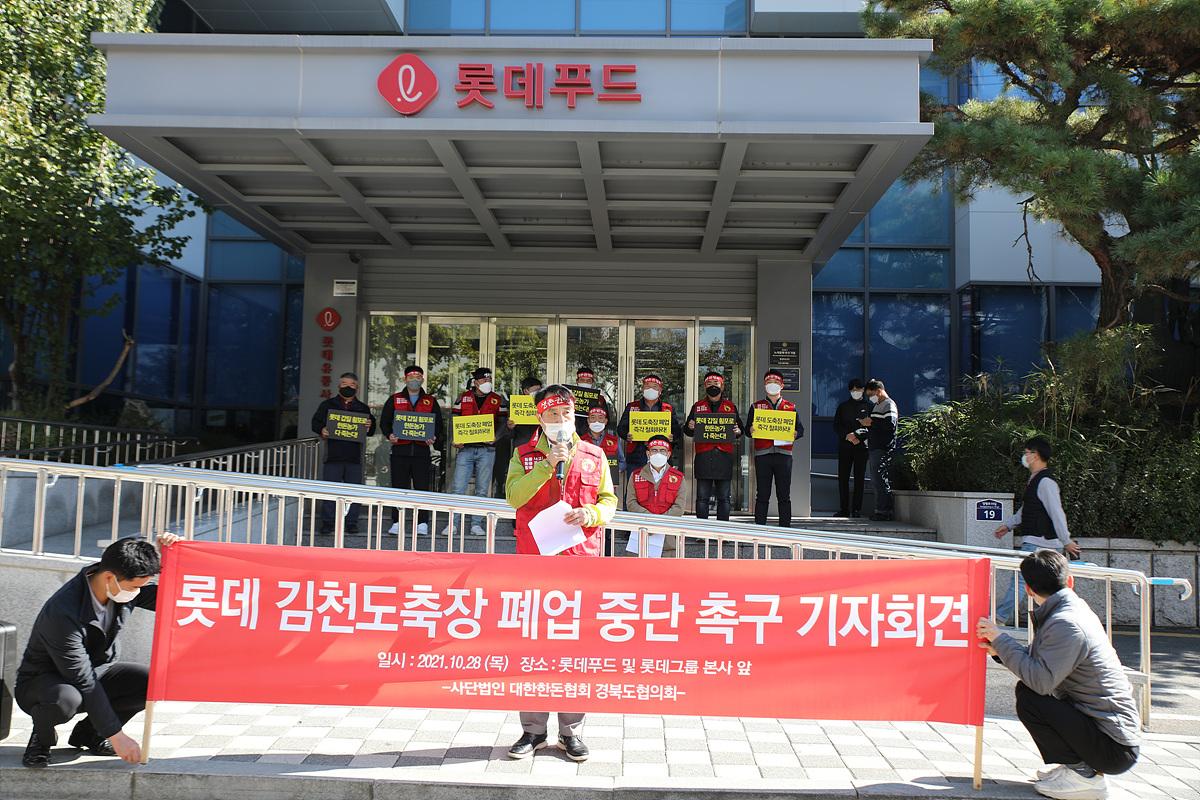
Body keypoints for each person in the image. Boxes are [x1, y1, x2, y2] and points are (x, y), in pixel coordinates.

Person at [504, 385, 618, 762]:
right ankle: (532, 730)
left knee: (575, 649)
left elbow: (609, 501)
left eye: (566, 414)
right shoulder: (524, 455)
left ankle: (571, 731)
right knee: (533, 648)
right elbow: (514, 497)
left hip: (579, 564)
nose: (561, 420)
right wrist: (546, 466)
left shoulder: (594, 455)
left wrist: (591, 514)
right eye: (552, 415)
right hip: (534, 564)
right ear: (540, 419)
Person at [977, 550, 1139, 800]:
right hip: (1111, 735)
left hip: (1114, 746)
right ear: (1070, 580)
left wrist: (1000, 639)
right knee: (1030, 692)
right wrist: (1000, 649)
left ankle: (1084, 777)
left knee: (1031, 698)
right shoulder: (1070, 610)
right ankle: (1076, 768)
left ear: (1028, 589)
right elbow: (1040, 664)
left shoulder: (1066, 622)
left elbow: (1040, 681)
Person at [17, 534, 181, 769]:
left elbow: (172, 598)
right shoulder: (63, 612)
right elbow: (82, 678)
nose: (138, 592)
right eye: (135, 587)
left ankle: (90, 734)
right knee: (64, 701)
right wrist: (117, 735)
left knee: (150, 682)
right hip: (44, 682)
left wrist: (173, 557)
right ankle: (41, 738)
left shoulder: (118, 587)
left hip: (98, 670)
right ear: (109, 577)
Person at [993, 436, 1081, 625]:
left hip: (1040, 542)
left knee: (1022, 580)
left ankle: (1000, 618)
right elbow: (1027, 510)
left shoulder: (1045, 482)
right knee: (1046, 584)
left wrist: (1066, 540)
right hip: (1040, 541)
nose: (1024, 456)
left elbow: (1056, 512)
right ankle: (1059, 619)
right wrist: (1008, 525)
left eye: (1027, 452)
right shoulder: (1036, 480)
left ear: (1036, 455)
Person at [380, 365, 443, 537]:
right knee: (399, 487)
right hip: (400, 451)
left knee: (422, 488)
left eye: (418, 377)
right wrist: (389, 435)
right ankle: (397, 521)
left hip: (422, 452)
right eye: (411, 377)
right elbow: (385, 421)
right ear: (405, 379)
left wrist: (434, 437)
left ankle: (422, 522)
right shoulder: (395, 399)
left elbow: (438, 424)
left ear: (422, 379)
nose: (415, 380)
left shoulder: (430, 401)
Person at [311, 372, 376, 534]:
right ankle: (328, 522)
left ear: (357, 388)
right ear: (339, 386)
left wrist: (369, 425)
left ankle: (351, 522)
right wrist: (322, 429)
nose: (348, 387)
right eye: (344, 384)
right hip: (333, 455)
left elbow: (371, 430)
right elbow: (315, 423)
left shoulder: (363, 408)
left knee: (353, 492)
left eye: (352, 385)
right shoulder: (327, 405)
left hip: (354, 457)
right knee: (330, 491)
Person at [448, 367, 507, 537]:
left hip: (487, 450)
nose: (487, 382)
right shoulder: (463, 397)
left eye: (489, 380)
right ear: (475, 382)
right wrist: (454, 438)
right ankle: (453, 524)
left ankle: (476, 524)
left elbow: (504, 422)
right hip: (465, 450)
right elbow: (453, 419)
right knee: (458, 488)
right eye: (483, 380)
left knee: (482, 489)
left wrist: (495, 437)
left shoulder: (498, 399)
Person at [745, 369, 803, 527]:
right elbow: (747, 430)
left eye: (776, 382)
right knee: (762, 494)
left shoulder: (790, 407)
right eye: (769, 382)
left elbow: (800, 429)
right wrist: (750, 430)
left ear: (782, 385)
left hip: (784, 455)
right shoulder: (756, 406)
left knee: (784, 494)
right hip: (763, 455)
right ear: (764, 385)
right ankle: (759, 527)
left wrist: (796, 433)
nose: (772, 385)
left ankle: (785, 528)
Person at [683, 371, 743, 521]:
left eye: (716, 383)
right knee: (702, 498)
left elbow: (740, 430)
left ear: (722, 386)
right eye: (709, 384)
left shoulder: (730, 406)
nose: (712, 386)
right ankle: (702, 530)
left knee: (724, 497)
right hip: (704, 456)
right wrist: (690, 426)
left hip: (724, 456)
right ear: (705, 387)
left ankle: (722, 529)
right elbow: (687, 431)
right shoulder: (698, 406)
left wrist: (737, 431)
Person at [616, 374, 682, 508]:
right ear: (642, 388)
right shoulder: (632, 407)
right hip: (637, 455)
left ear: (660, 390)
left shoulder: (668, 408)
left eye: (654, 387)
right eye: (647, 386)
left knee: (661, 491)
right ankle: (630, 520)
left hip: (660, 455)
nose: (650, 389)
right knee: (633, 490)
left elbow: (677, 431)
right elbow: (621, 428)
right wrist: (627, 435)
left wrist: (672, 437)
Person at [626, 435, 688, 557]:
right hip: (641, 536)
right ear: (648, 453)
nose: (658, 454)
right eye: (654, 450)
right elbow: (631, 503)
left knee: (667, 568)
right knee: (638, 568)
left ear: (668, 454)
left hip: (668, 540)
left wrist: (659, 524)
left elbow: (679, 507)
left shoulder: (678, 478)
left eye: (662, 451)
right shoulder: (636, 475)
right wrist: (650, 521)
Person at [859, 379, 898, 521]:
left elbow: (890, 425)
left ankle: (884, 511)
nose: (870, 398)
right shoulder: (877, 405)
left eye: (871, 394)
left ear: (879, 391)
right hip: (875, 446)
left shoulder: (889, 404)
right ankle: (880, 510)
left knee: (880, 479)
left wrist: (871, 423)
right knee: (876, 480)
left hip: (883, 447)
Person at [833, 378, 872, 518]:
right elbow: (836, 425)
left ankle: (856, 509)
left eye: (858, 389)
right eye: (853, 390)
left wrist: (857, 436)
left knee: (859, 478)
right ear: (850, 391)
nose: (856, 392)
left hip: (861, 447)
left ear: (863, 390)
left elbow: (872, 426)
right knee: (843, 478)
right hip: (845, 446)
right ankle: (844, 509)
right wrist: (848, 436)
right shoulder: (843, 406)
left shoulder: (869, 406)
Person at [582, 404, 623, 489]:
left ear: (605, 421)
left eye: (600, 418)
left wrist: (614, 471)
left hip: (608, 486)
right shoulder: (581, 441)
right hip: (586, 486)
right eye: (593, 418)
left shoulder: (614, 441)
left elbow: (622, 462)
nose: (596, 421)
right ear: (588, 421)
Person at [572, 367, 611, 436]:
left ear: (592, 382)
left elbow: (606, 419)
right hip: (572, 432)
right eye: (582, 380)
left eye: (588, 381)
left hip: (592, 435)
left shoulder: (599, 399)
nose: (585, 382)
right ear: (577, 381)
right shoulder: (569, 397)